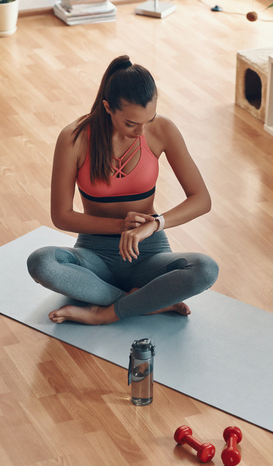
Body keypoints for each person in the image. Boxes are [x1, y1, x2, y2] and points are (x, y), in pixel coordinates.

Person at [27, 55, 219, 325]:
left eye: (148, 120)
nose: (141, 132)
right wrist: (121, 225)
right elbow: (62, 215)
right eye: (131, 123)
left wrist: (153, 225)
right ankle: (148, 302)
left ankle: (105, 312)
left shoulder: (163, 130)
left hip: (148, 252)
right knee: (41, 262)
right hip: (94, 255)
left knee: (205, 269)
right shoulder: (74, 138)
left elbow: (202, 199)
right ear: (108, 107)